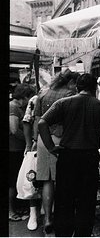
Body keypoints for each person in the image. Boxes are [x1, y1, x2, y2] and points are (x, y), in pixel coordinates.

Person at [38, 73, 100, 237]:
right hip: (89, 158)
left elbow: (42, 123)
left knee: (64, 199)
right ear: (94, 88)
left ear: (77, 87)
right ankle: (82, 234)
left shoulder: (63, 103)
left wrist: (50, 147)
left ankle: (63, 233)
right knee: (87, 200)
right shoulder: (99, 106)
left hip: (67, 157)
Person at [34, 69, 79, 234]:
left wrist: (34, 140)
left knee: (47, 180)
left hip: (42, 139)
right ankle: (62, 219)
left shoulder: (44, 92)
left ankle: (47, 219)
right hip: (60, 139)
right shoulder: (69, 94)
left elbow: (37, 118)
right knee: (62, 180)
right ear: (71, 82)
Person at [9, 83, 36, 221]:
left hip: (16, 148)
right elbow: (14, 129)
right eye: (29, 97)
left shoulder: (17, 107)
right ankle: (11, 211)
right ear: (24, 96)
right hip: (13, 149)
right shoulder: (13, 107)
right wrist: (29, 139)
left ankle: (16, 208)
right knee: (13, 181)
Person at [22, 94, 42, 231]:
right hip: (37, 144)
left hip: (51, 143)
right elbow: (26, 121)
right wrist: (29, 145)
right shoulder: (35, 100)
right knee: (32, 178)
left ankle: (44, 209)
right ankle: (33, 212)